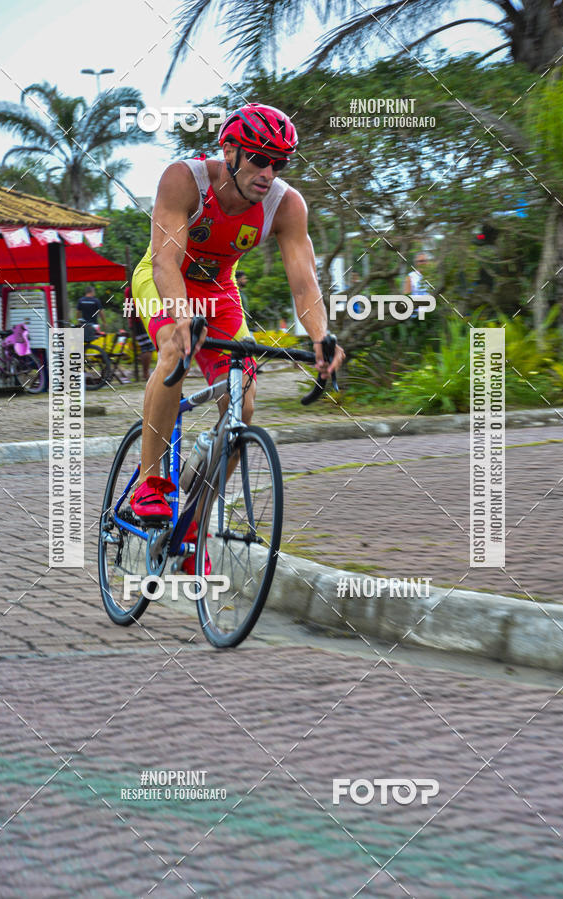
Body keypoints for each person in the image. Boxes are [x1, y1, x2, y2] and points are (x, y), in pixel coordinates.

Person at [129, 103, 345, 573]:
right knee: (175, 349)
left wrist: (322, 337)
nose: (269, 171)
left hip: (220, 292)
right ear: (229, 149)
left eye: (280, 162)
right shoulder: (184, 180)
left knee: (242, 404)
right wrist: (181, 315)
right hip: (166, 278)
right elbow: (165, 261)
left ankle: (194, 528)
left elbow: (304, 282)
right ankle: (151, 481)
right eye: (260, 158)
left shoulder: (286, 206)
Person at [124, 285, 154, 380]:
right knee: (147, 347)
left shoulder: (129, 289)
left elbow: (128, 307)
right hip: (140, 320)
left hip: (137, 320)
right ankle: (145, 373)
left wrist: (130, 322)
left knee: (146, 347)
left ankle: (145, 373)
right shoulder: (137, 287)